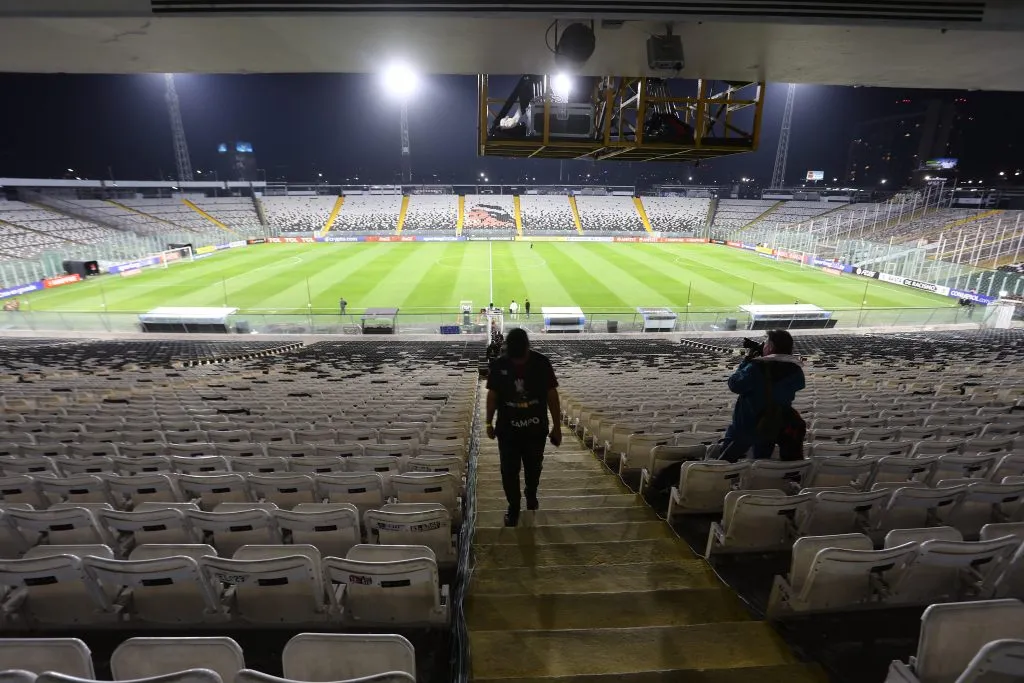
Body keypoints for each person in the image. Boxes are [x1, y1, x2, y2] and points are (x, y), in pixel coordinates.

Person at [485, 328, 561, 527]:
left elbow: (552, 394)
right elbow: (492, 396)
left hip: (535, 430)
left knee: (534, 468)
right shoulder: (499, 364)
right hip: (507, 431)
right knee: (509, 471)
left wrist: (557, 426)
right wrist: (488, 422)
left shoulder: (541, 363)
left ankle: (531, 491)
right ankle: (514, 506)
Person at [719, 329, 806, 462]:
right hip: (771, 424)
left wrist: (747, 361)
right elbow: (798, 384)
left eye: (765, 344)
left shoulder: (756, 367)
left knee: (725, 460)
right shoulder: (795, 369)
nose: (763, 346)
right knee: (761, 461)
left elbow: (735, 384)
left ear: (770, 347)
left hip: (746, 424)